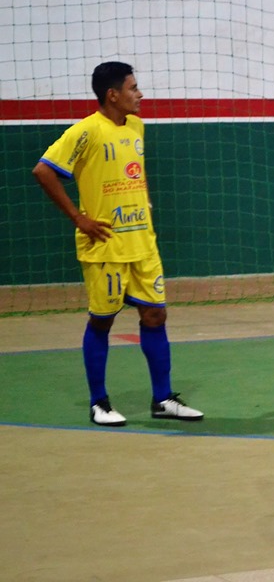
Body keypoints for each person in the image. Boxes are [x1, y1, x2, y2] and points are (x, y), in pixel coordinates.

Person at [32, 61, 203, 427]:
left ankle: (163, 398)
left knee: (155, 315)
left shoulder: (137, 127)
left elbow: (133, 175)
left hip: (142, 243)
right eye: (133, 88)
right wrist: (79, 218)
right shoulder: (85, 131)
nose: (140, 94)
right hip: (104, 245)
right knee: (102, 321)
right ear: (113, 94)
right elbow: (43, 170)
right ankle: (99, 403)